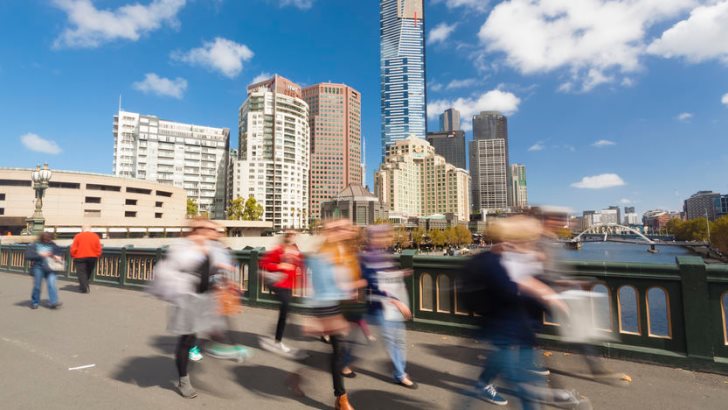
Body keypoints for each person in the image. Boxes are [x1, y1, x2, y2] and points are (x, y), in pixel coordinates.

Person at [150, 218, 229, 399]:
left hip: (203, 299)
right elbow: (174, 269)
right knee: (186, 339)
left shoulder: (210, 247)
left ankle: (196, 354)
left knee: (198, 335)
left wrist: (220, 274)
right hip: (186, 299)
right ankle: (183, 380)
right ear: (198, 229)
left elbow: (209, 271)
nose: (215, 232)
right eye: (211, 229)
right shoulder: (184, 247)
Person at [301, 219, 366, 410]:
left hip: (343, 305)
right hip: (328, 306)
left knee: (337, 352)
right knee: (338, 351)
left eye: (348, 227)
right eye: (342, 228)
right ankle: (341, 397)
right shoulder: (324, 252)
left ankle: (299, 377)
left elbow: (350, 275)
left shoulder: (346, 250)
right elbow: (319, 286)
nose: (347, 230)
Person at [359, 224, 417, 389]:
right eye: (380, 236)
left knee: (398, 339)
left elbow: (386, 277)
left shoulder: (383, 255)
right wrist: (396, 301)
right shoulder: (367, 257)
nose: (384, 239)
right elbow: (374, 283)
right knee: (391, 340)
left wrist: (400, 273)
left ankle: (400, 372)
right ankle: (400, 374)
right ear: (371, 238)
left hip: (389, 306)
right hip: (379, 306)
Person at [259, 231, 305, 356]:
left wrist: (301, 282)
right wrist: (281, 266)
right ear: (285, 237)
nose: (291, 237)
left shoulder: (296, 250)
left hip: (289, 285)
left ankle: (276, 338)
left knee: (285, 311)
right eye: (289, 235)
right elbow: (264, 263)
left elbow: (299, 265)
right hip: (279, 284)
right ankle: (278, 341)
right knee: (285, 309)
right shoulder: (279, 249)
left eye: (293, 235)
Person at [25, 232, 64, 309]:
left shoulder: (54, 245)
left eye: (48, 240)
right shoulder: (35, 245)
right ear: (42, 239)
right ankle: (35, 302)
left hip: (51, 267)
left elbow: (59, 255)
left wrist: (54, 256)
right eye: (45, 240)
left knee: (52, 284)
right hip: (38, 267)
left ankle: (53, 302)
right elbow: (28, 255)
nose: (47, 241)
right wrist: (40, 255)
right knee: (37, 286)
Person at [70, 225, 102, 293]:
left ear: (82, 230)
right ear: (90, 229)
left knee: (81, 272)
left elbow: (74, 248)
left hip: (80, 257)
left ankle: (84, 287)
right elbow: (99, 247)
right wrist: (98, 255)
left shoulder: (78, 236)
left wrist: (73, 255)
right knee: (88, 272)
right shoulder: (95, 236)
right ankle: (85, 285)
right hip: (92, 257)